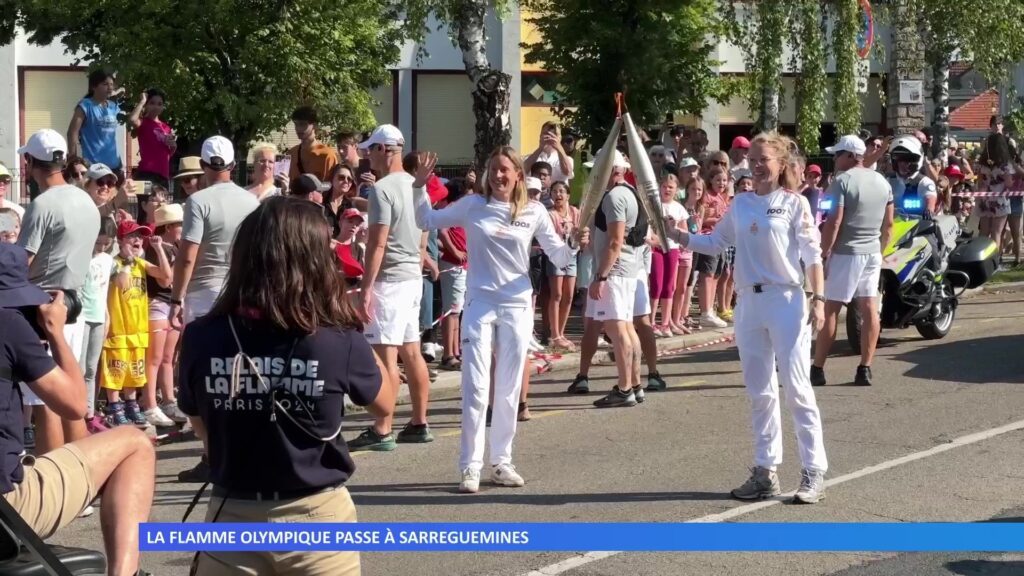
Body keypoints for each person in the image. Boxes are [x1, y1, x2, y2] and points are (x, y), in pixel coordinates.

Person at [177, 197, 391, 576]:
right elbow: (384, 404)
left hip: (232, 513)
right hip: (317, 517)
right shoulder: (336, 339)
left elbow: (201, 425)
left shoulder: (200, 336)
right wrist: (355, 325)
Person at [411, 148, 581, 492]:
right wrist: (418, 186)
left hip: (517, 304)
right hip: (481, 303)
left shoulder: (533, 211)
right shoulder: (473, 206)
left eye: (506, 170)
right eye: (494, 170)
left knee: (507, 389)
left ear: (519, 174)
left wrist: (575, 242)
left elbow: (560, 256)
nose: (499, 176)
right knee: (475, 387)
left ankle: (501, 462)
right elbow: (425, 220)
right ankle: (470, 466)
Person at [671, 132, 828, 504]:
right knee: (760, 392)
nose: (757, 166)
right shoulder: (740, 205)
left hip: (786, 299)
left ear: (782, 165)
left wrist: (818, 298)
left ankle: (813, 471)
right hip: (748, 303)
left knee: (796, 387)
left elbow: (812, 255)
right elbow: (713, 243)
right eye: (753, 160)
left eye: (765, 160)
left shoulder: (794, 204)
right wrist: (678, 236)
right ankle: (765, 471)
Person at [0, 243, 156, 576]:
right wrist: (55, 334)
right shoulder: (8, 325)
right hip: (7, 511)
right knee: (135, 443)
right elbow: (73, 405)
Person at [168, 136, 259, 482]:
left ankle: (212, 453)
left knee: (198, 376)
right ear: (234, 165)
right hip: (242, 293)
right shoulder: (250, 201)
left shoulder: (199, 201)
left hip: (205, 294)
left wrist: (176, 298)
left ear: (204, 167)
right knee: (239, 374)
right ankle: (237, 448)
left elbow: (188, 255)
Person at [350, 124, 433, 451]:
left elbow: (378, 243)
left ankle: (382, 428)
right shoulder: (417, 187)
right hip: (411, 278)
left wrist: (366, 287)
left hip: (390, 281)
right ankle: (418, 421)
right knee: (411, 351)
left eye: (372, 149)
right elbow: (424, 232)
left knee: (385, 356)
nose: (369, 155)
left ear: (386, 150)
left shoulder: (383, 189)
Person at [17, 129, 101, 453]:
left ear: (29, 162)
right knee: (71, 398)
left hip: (44, 308)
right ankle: (81, 486)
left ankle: (57, 491)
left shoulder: (42, 205)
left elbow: (21, 263)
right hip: (74, 303)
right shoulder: (85, 200)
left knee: (46, 400)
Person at [812, 135, 894, 387]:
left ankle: (818, 368)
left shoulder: (841, 181)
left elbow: (833, 222)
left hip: (846, 253)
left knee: (831, 309)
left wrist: (823, 254)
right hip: (871, 252)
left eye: (837, 154)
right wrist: (879, 250)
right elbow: (888, 224)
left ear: (849, 155)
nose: (835, 159)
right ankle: (865, 367)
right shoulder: (882, 181)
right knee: (869, 308)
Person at [587, 150, 647, 408]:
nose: (593, 175)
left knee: (616, 328)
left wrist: (601, 276)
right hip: (628, 269)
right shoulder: (630, 192)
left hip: (616, 271)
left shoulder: (614, 198)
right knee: (627, 328)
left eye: (596, 170)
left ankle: (624, 388)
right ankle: (634, 384)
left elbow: (615, 240)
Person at [100, 221, 172, 427]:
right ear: (121, 240)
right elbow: (121, 282)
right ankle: (114, 407)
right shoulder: (113, 263)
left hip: (138, 329)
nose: (138, 240)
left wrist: (158, 249)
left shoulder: (142, 264)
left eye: (140, 237)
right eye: (132, 236)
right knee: (116, 371)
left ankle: (131, 404)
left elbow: (166, 278)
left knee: (134, 372)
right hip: (118, 328)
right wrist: (129, 260)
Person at [141, 203, 188, 426]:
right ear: (169, 227)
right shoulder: (156, 247)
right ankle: (149, 404)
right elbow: (164, 280)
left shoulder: (177, 247)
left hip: (172, 305)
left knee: (168, 358)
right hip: (157, 304)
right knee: (154, 358)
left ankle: (169, 400)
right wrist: (160, 250)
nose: (184, 228)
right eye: (180, 224)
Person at [79, 219, 116, 434]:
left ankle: (89, 414)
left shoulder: (107, 260)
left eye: (106, 243)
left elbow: (104, 290)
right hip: (82, 317)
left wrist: (107, 316)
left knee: (92, 369)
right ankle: (77, 412)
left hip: (98, 317)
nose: (101, 247)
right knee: (81, 367)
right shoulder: (82, 256)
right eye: (98, 242)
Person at [67, 69, 123, 175]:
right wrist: (73, 158)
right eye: (105, 84)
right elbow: (72, 132)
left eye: (111, 84)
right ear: (93, 86)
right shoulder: (85, 105)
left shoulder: (113, 106)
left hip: (114, 164)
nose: (110, 88)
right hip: (93, 165)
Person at [128, 88, 176, 187]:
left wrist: (174, 147)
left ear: (163, 107)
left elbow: (167, 154)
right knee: (146, 202)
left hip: (163, 175)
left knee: (163, 202)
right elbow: (132, 120)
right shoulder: (143, 122)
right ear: (146, 105)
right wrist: (142, 101)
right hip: (146, 174)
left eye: (160, 104)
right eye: (152, 103)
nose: (156, 106)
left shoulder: (166, 128)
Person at [288, 106, 338, 182]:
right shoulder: (292, 153)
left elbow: (333, 186)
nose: (298, 128)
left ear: (314, 126)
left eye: (303, 124)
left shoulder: (327, 155)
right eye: (296, 124)